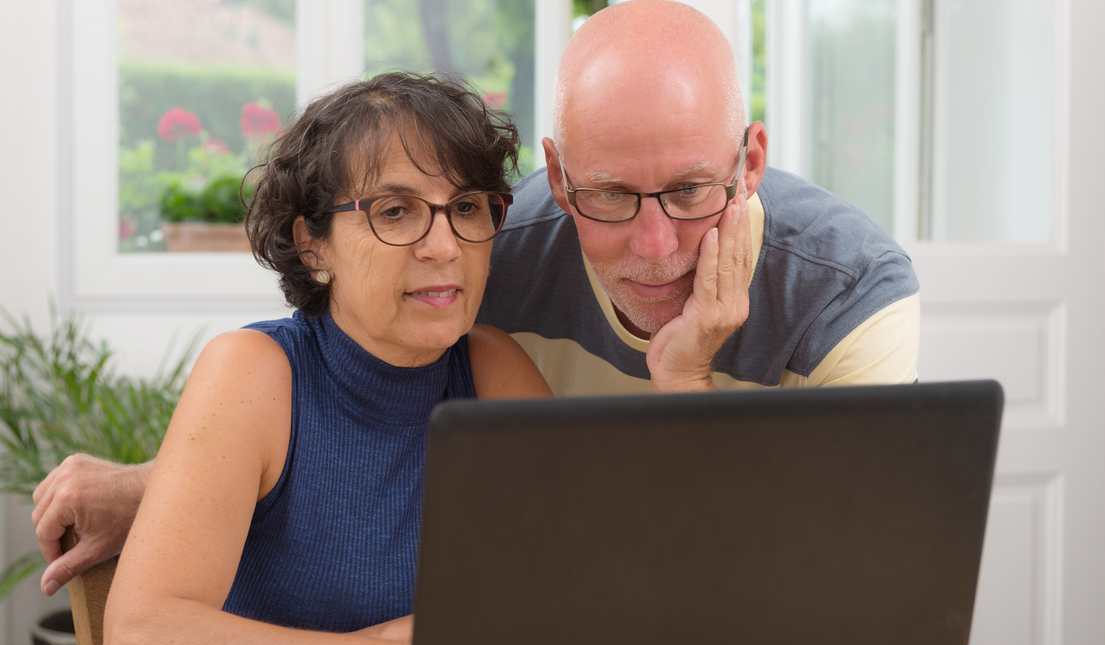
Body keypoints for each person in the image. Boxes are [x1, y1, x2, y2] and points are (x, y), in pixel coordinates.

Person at [32, 0, 917, 596]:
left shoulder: (847, 296)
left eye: (690, 190)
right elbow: (347, 424)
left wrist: (683, 378)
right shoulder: (480, 263)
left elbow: (790, 581)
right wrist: (178, 487)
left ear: (749, 163)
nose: (441, 245)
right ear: (559, 181)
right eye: (610, 195)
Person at [99, 72, 550, 645]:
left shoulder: (493, 370)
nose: (445, 246)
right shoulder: (254, 373)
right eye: (395, 211)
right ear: (313, 246)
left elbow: (566, 595)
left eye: (467, 207)